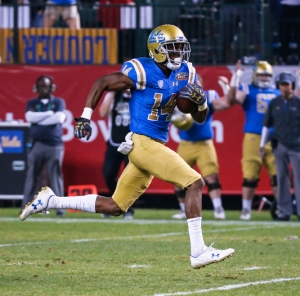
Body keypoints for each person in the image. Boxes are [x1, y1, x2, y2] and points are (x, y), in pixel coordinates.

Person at [19, 24, 234, 269]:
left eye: (180, 49)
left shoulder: (186, 72)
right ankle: (198, 252)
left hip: (152, 143)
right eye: (172, 49)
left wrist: (201, 103)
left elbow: (198, 118)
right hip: (143, 142)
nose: (178, 54)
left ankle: (51, 200)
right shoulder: (143, 70)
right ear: (158, 50)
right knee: (194, 182)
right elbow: (102, 82)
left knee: (115, 206)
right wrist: (86, 116)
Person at [171, 75, 230, 220]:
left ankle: (218, 208)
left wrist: (225, 87)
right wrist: (176, 117)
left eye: (196, 82)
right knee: (178, 178)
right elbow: (169, 115)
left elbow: (226, 103)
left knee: (211, 176)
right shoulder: (180, 99)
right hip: (186, 143)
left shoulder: (209, 96)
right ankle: (182, 209)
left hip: (204, 144)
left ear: (202, 84)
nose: (194, 86)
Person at [228, 60, 280, 220]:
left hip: (275, 137)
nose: (264, 78)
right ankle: (246, 209)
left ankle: (281, 207)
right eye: (261, 75)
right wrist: (236, 77)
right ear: (255, 76)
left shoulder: (278, 91)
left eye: (267, 75)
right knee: (250, 175)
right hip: (253, 137)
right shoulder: (247, 89)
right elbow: (233, 98)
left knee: (277, 175)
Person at [21, 75, 66, 217]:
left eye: (46, 86)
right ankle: (25, 206)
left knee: (56, 176)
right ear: (36, 87)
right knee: (32, 175)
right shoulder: (32, 102)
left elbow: (59, 118)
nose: (44, 89)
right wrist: (48, 114)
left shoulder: (59, 102)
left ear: (51, 87)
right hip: (37, 144)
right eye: (41, 86)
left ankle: (60, 208)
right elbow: (29, 118)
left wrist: (38, 118)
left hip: (54, 145)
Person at [260, 71, 300, 221]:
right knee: (282, 179)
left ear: (292, 86)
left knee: (299, 179)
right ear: (278, 86)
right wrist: (262, 145)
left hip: (297, 145)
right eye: (282, 84)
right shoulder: (274, 103)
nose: (284, 87)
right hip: (279, 145)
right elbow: (266, 125)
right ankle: (284, 212)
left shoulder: (298, 102)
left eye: (287, 84)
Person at [99, 89, 134, 219]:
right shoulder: (113, 95)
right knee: (108, 174)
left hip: (132, 142)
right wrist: (113, 93)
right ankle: (116, 202)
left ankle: (128, 208)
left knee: (128, 178)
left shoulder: (139, 94)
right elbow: (103, 112)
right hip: (115, 142)